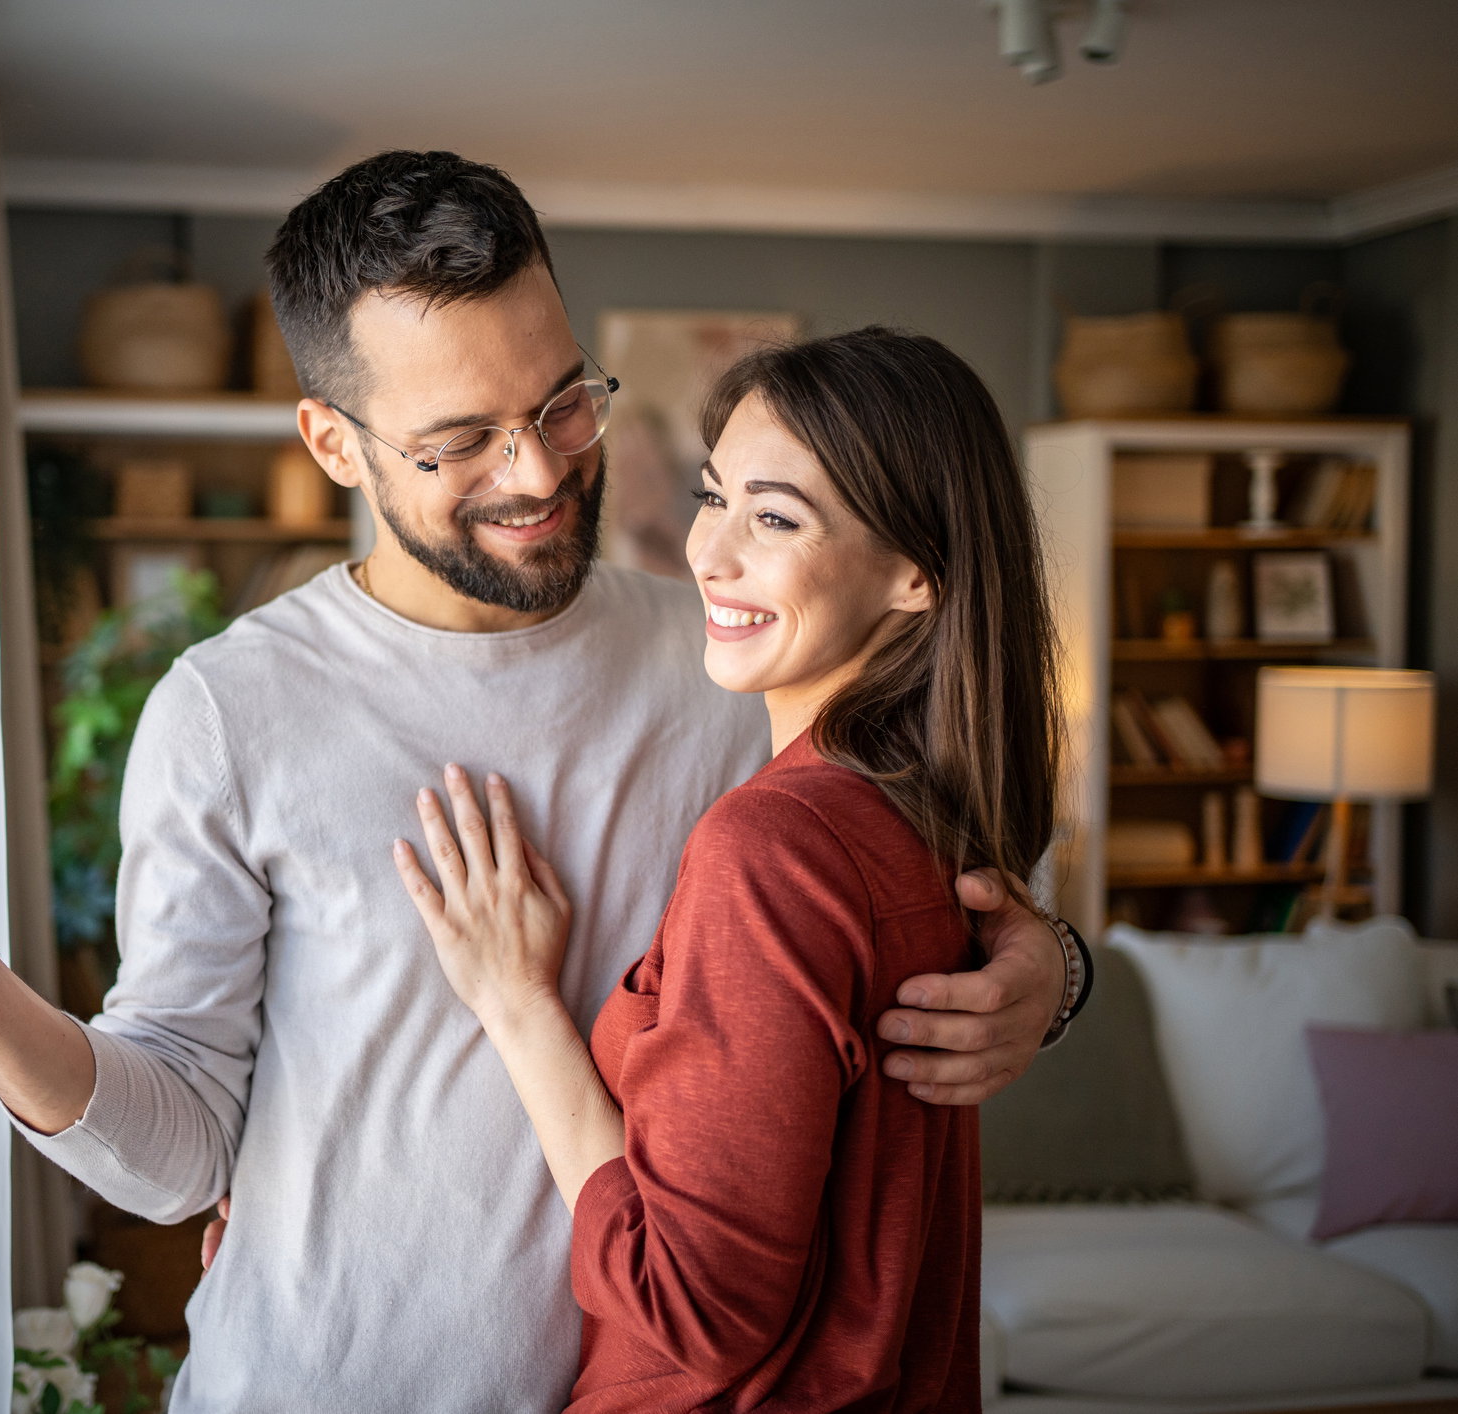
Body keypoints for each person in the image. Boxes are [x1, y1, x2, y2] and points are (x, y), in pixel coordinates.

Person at [0, 151, 1087, 1414]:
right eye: (459, 442)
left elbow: (930, 885)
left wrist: (1050, 967)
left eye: (561, 404)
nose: (540, 473)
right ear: (335, 442)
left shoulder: (722, 663)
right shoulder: (229, 714)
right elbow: (178, 1153)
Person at [394, 326, 1058, 1410]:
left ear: (914, 575)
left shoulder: (778, 846)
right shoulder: (930, 824)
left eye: (777, 518)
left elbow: (696, 1311)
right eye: (716, 497)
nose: (711, 552)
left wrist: (519, 1007)